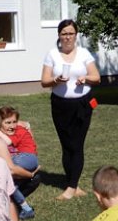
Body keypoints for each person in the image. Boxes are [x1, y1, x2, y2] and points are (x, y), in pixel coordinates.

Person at [40, 19, 100, 200]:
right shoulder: (52, 55)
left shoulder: (84, 54)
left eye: (71, 33)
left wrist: (86, 78)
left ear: (76, 35)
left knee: (77, 144)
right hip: (60, 105)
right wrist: (56, 80)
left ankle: (72, 187)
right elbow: (44, 81)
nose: (67, 37)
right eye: (64, 33)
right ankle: (72, 183)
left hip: (82, 104)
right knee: (66, 145)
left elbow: (96, 77)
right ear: (59, 35)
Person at [0, 106, 40, 220]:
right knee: (10, 185)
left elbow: (8, 141)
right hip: (24, 159)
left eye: (14, 122)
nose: (12, 126)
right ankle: (25, 208)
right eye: (8, 122)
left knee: (5, 169)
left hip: (27, 158)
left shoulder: (19, 130)